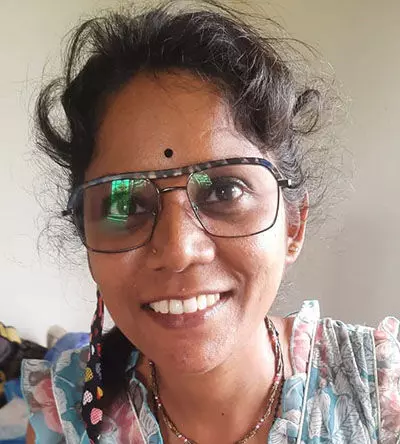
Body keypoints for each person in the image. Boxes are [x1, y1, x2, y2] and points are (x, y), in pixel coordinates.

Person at [21, 1, 400, 443]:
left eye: (225, 191)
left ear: (293, 225)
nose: (178, 250)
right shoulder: (64, 416)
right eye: (126, 205)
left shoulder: (381, 392)